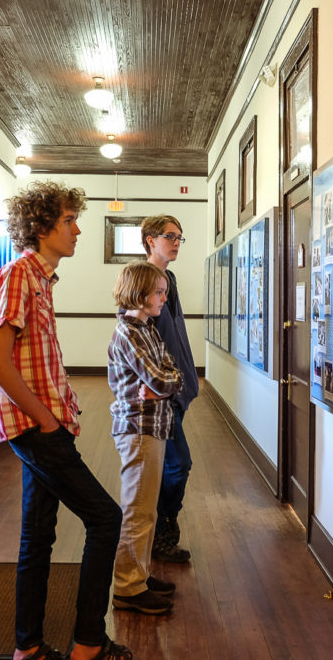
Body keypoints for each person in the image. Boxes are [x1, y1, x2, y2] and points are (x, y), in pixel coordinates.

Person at [0, 181, 131, 660]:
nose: (77, 230)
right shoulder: (18, 275)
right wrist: (47, 420)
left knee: (38, 535)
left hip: (43, 423)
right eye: (69, 221)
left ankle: (27, 648)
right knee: (106, 518)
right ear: (41, 225)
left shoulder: (40, 279)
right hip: (34, 427)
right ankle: (89, 644)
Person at [107, 261, 183, 615]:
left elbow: (171, 373)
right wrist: (161, 385)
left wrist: (161, 385)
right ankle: (127, 588)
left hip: (152, 425)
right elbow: (161, 380)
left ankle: (139, 574)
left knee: (147, 510)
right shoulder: (130, 332)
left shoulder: (147, 328)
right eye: (159, 291)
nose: (164, 298)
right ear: (139, 292)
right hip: (139, 430)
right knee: (138, 511)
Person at [140, 215, 198, 563]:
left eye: (179, 237)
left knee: (169, 463)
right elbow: (137, 336)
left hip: (178, 388)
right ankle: (161, 529)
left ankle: (159, 531)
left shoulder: (169, 279)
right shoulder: (142, 280)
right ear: (150, 240)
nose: (176, 242)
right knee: (178, 464)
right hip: (160, 392)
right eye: (169, 236)